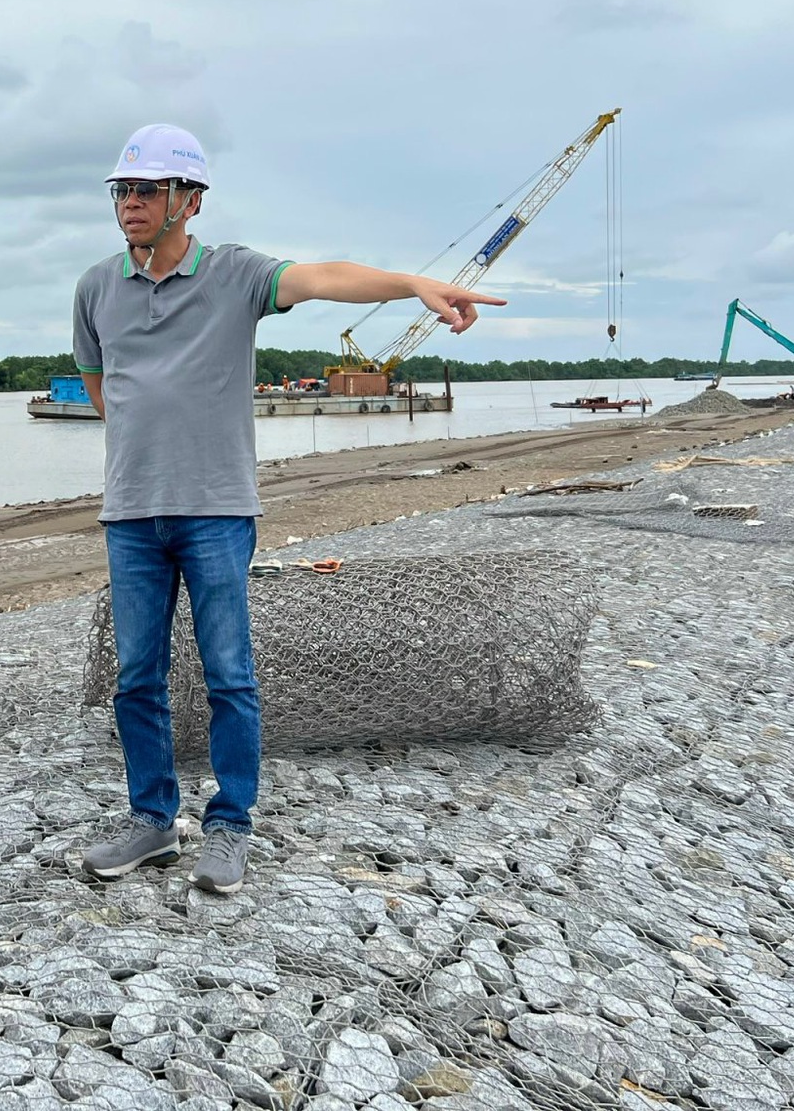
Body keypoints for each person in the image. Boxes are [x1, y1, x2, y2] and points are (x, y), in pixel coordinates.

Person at [73, 124, 500, 896]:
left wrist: (412, 285)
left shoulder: (235, 274)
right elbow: (103, 387)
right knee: (137, 675)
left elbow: (325, 275)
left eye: (147, 190)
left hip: (217, 511)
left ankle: (230, 824)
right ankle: (151, 822)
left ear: (190, 201)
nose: (130, 203)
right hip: (132, 512)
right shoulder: (96, 287)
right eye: (122, 190)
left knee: (229, 673)